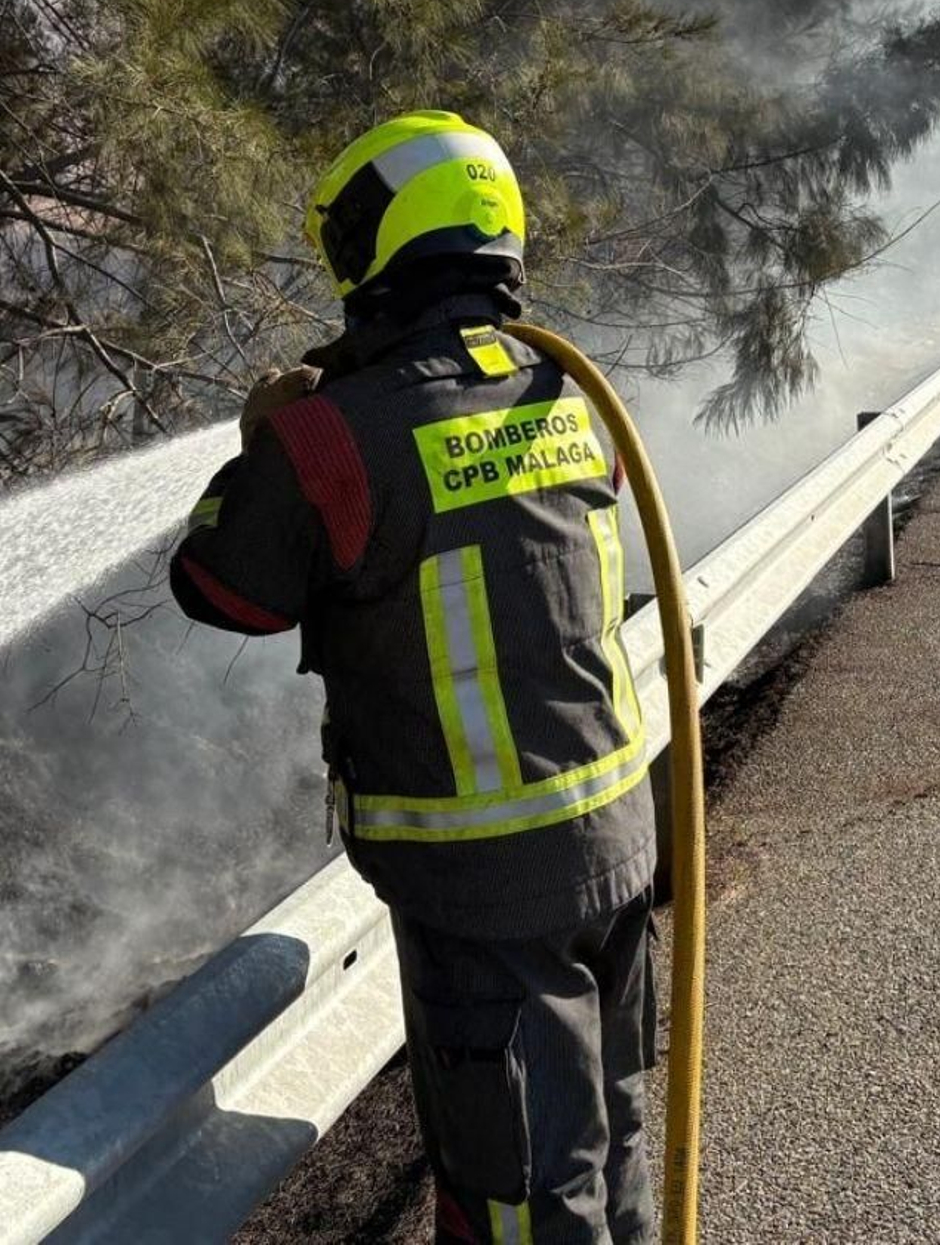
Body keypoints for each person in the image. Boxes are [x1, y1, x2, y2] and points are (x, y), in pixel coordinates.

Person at [168, 111, 657, 1245]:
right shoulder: (568, 391)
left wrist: (262, 444)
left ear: (385, 242)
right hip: (616, 840)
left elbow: (222, 587)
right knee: (611, 1139)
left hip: (484, 887)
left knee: (518, 1198)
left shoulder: (334, 436)